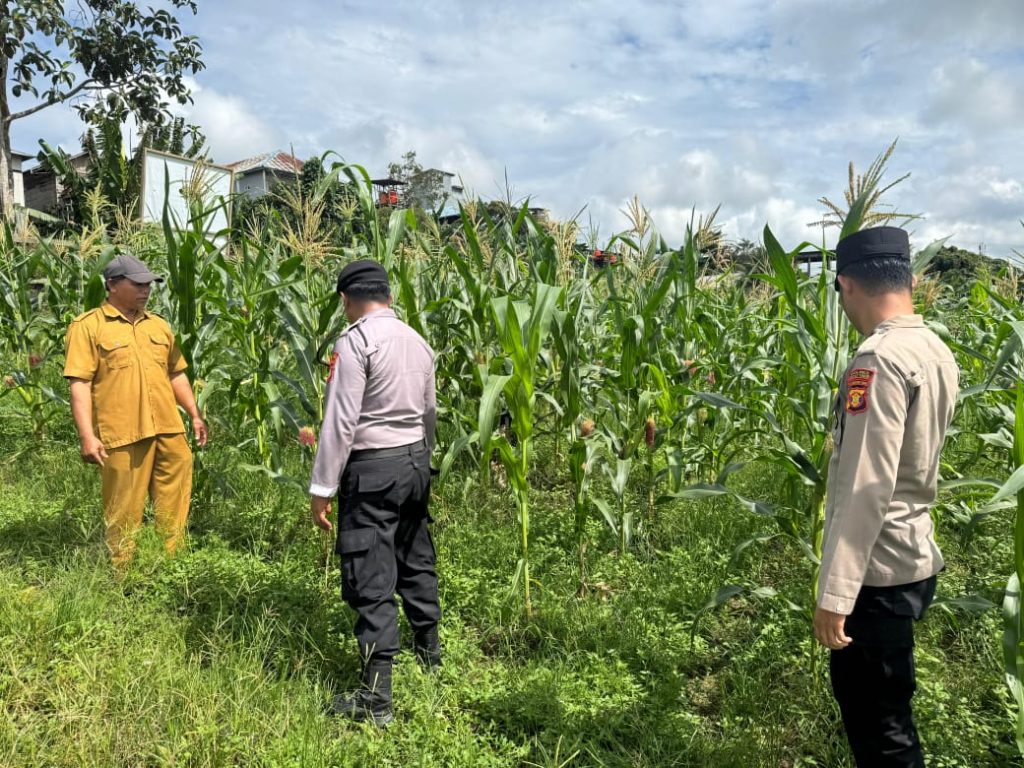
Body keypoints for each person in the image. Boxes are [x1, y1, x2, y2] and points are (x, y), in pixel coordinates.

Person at [815, 226, 959, 767]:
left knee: (881, 729)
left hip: (874, 573)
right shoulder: (934, 348)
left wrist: (836, 593)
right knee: (888, 710)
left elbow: (866, 486)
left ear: (845, 284)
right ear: (912, 279)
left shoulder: (877, 360)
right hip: (913, 554)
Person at [309, 258, 440, 726]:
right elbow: (428, 412)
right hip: (414, 462)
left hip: (373, 470)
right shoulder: (417, 341)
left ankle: (376, 699)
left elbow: (341, 422)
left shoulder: (356, 341)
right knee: (414, 555)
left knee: (371, 573)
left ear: (347, 299)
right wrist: (422, 462)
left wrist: (322, 487)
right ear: (386, 294)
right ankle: (431, 657)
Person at [64, 253, 208, 567]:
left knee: (174, 504)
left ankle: (168, 566)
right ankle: (124, 577)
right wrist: (87, 436)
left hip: (169, 429)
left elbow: (176, 373)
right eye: (138, 283)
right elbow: (79, 384)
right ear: (112, 285)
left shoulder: (158, 325)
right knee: (123, 510)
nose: (146, 290)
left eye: (149, 284)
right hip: (123, 434)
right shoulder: (88, 327)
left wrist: (194, 414)